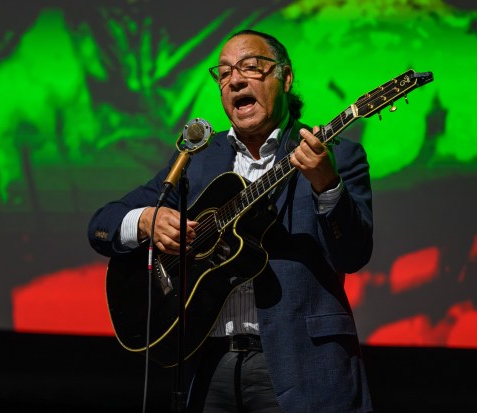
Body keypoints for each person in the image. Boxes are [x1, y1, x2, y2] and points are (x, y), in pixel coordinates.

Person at [88, 29, 374, 413]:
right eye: (223, 74)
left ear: (285, 78)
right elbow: (102, 225)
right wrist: (145, 221)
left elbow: (353, 254)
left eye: (250, 67)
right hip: (206, 369)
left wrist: (326, 184)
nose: (235, 79)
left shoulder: (334, 155)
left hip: (301, 366)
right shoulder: (198, 159)